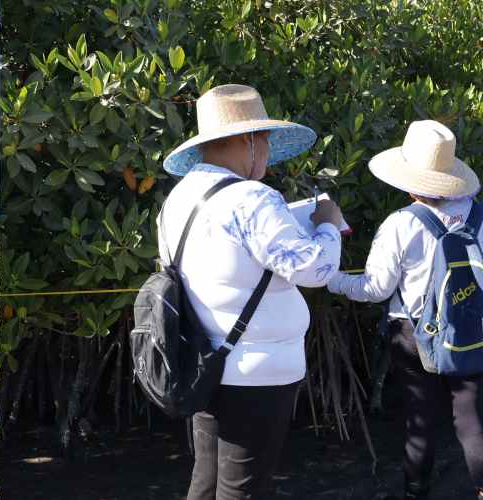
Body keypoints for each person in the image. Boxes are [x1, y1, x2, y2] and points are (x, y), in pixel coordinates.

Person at [159, 84, 343, 499]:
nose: (267, 151)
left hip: (203, 361)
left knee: (206, 484)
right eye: (265, 140)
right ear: (248, 139)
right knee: (243, 489)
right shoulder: (252, 198)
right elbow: (314, 268)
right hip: (256, 374)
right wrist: (329, 224)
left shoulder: (178, 198)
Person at [327, 120, 483, 499]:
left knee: (419, 421)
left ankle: (415, 492)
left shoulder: (401, 224)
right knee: (474, 420)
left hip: (413, 335)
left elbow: (375, 289)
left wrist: (330, 278)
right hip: (473, 331)